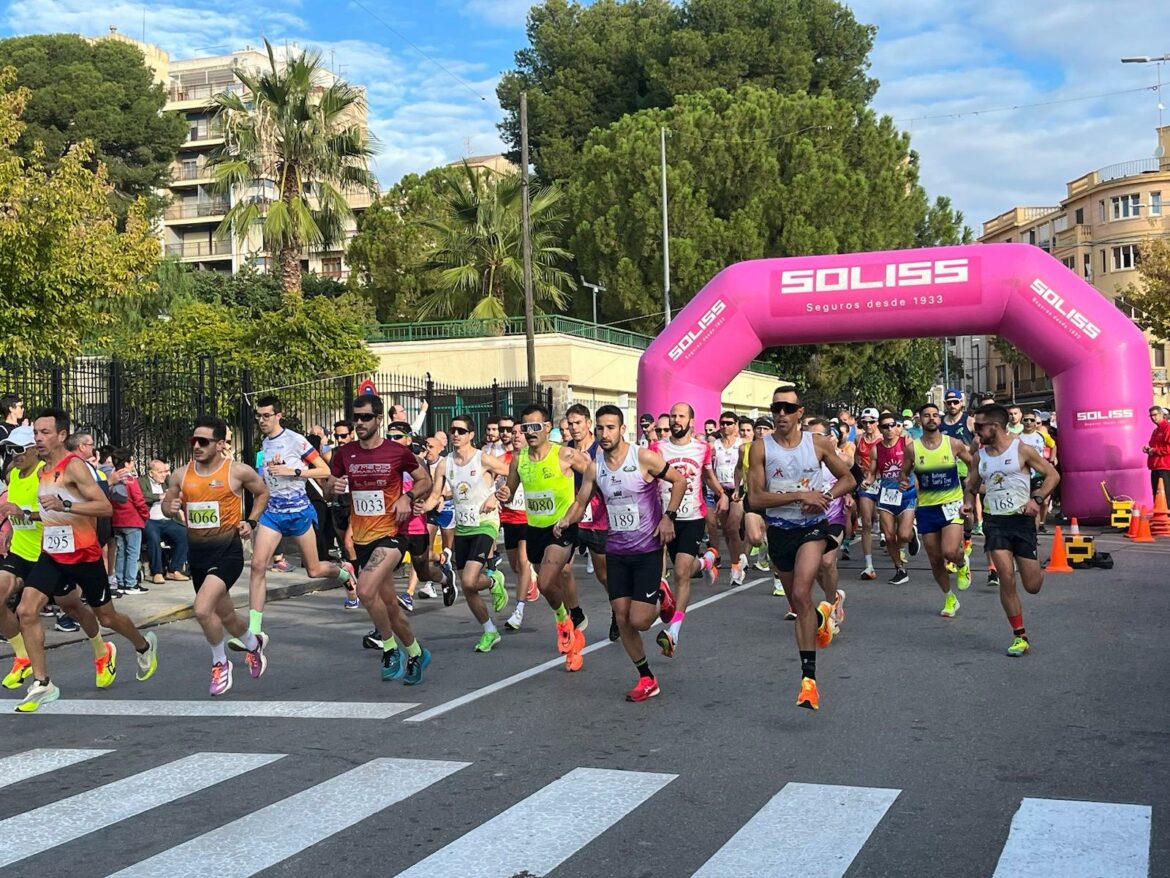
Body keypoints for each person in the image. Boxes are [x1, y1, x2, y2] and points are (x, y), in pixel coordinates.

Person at [9, 408, 159, 712]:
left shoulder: (74, 467)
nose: (39, 438)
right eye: (36, 432)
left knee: (107, 617)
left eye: (45, 432)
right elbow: (52, 512)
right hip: (52, 554)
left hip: (84, 555)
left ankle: (144, 645)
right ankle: (42, 682)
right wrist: (28, 515)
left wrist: (65, 503)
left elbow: (104, 508)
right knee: (26, 610)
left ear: (62, 435)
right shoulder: (42, 471)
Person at [748, 386, 855, 711]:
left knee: (801, 592)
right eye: (775, 407)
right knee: (798, 598)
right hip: (780, 531)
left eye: (786, 408)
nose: (780, 413)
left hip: (812, 528)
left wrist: (826, 496)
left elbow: (848, 479)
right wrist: (799, 496)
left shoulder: (818, 443)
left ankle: (809, 680)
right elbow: (755, 498)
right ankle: (823, 614)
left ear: (799, 413)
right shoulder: (759, 448)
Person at [327, 394, 435, 684]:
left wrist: (408, 496)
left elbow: (426, 480)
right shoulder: (345, 454)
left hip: (391, 535)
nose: (359, 423)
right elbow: (329, 489)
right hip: (362, 537)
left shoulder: (396, 452)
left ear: (378, 419)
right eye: (356, 418)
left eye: (365, 418)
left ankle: (389, 649)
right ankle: (415, 652)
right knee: (389, 606)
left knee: (364, 589)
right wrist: (333, 486)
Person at [161, 417, 271, 695]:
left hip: (227, 552)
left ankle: (220, 663)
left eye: (204, 441)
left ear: (221, 444)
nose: (196, 446)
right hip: (197, 554)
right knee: (227, 616)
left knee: (202, 609)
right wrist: (169, 505)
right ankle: (253, 644)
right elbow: (166, 504)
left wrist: (252, 521)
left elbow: (262, 493)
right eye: (193, 441)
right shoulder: (180, 474)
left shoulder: (236, 471)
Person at [591, 405, 685, 701]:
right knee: (622, 618)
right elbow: (586, 497)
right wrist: (569, 519)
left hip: (647, 548)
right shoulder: (597, 464)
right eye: (600, 428)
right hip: (617, 550)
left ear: (622, 430)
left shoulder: (642, 457)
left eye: (609, 428)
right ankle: (646, 677)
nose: (604, 434)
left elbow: (679, 481)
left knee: (640, 621)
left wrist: (668, 516)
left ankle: (661, 595)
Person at [496, 403, 595, 672]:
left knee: (548, 579)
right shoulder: (520, 458)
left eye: (535, 427)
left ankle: (564, 624)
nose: (529, 432)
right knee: (545, 584)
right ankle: (568, 621)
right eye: (525, 427)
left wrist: (580, 504)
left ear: (547, 428)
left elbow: (594, 473)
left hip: (562, 527)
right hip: (535, 529)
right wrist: (504, 494)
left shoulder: (564, 454)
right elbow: (511, 488)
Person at [247, 394, 354, 642]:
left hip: (299, 512)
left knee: (314, 571)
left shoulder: (296, 440)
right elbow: (269, 478)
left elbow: (325, 470)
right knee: (257, 565)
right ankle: (254, 630)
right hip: (273, 513)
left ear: (278, 415)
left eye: (266, 415)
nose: (261, 420)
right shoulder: (265, 443)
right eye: (258, 416)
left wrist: (293, 470)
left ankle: (345, 574)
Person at [966, 404, 1060, 656]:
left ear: (994, 427)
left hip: (1021, 522)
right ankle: (1020, 636)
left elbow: (1052, 475)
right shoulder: (980, 456)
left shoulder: (1022, 450)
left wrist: (1037, 498)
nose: (976, 432)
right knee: (1006, 577)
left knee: (1032, 585)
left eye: (979, 427)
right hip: (995, 522)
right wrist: (967, 503)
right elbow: (972, 484)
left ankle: (1034, 565)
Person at [652, 402, 722, 657]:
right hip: (664, 517)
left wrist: (722, 493)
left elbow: (707, 475)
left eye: (681, 416)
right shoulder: (657, 448)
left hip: (693, 516)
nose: (676, 420)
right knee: (686, 567)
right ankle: (706, 562)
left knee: (681, 572)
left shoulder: (703, 448)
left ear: (691, 421)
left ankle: (674, 630)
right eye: (673, 416)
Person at [433, 415, 509, 652]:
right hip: (463, 527)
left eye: (461, 431)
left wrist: (495, 495)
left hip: (485, 524)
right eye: (453, 430)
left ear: (471, 435)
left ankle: (494, 579)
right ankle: (490, 631)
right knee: (469, 587)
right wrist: (420, 506)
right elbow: (435, 494)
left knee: (467, 580)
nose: (456, 434)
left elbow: (513, 473)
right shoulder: (446, 463)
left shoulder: (483, 459)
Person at [899, 403, 976, 617]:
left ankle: (962, 563)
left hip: (951, 504)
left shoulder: (953, 444)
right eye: (926, 415)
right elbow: (903, 474)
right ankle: (949, 597)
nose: (931, 419)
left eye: (935, 415)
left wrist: (970, 485)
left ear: (939, 420)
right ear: (919, 420)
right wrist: (903, 482)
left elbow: (973, 466)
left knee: (949, 551)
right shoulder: (912, 448)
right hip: (926, 508)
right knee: (934, 559)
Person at [0, 426, 41, 690]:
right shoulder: (13, 475)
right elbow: (16, 509)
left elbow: (58, 514)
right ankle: (23, 656)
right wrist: (11, 530)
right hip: (20, 552)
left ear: (35, 449)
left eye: (18, 449)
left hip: (48, 554)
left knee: (79, 608)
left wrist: (23, 514)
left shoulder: (47, 475)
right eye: (9, 449)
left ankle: (101, 647)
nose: (13, 455)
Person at [564, 404, 609, 636]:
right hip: (572, 516)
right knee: (562, 567)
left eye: (578, 423)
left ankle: (617, 610)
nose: (574, 428)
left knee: (603, 574)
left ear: (588, 424)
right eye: (570, 424)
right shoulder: (565, 450)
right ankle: (575, 611)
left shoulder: (600, 450)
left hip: (596, 517)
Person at [863, 413, 919, 585]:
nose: (889, 429)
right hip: (887, 496)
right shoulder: (876, 449)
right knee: (888, 537)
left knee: (902, 534)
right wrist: (867, 482)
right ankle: (900, 569)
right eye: (885, 426)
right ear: (880, 429)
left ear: (897, 427)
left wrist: (911, 481)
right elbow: (872, 474)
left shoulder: (907, 443)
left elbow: (918, 465)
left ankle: (911, 535)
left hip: (907, 493)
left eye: (892, 425)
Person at [499, 418, 537, 630]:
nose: (515, 435)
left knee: (523, 562)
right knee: (515, 565)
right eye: (513, 432)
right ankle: (530, 578)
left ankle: (518, 610)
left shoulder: (533, 459)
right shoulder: (501, 459)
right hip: (509, 517)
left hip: (528, 517)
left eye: (519, 432)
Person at [141, 459, 189, 584]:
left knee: (184, 534)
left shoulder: (168, 481)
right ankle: (157, 572)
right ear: (151, 473)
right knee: (153, 537)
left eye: (165, 471)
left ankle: (174, 570)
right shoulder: (141, 481)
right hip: (151, 520)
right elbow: (142, 496)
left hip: (168, 519)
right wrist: (160, 496)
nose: (164, 474)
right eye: (160, 472)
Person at [712, 410, 747, 583]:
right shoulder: (714, 444)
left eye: (729, 423)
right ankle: (738, 556)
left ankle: (735, 565)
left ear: (736, 425)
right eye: (723, 423)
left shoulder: (742, 444)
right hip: (720, 490)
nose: (725, 426)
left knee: (733, 526)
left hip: (737, 489)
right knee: (726, 530)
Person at [109, 448, 149, 597]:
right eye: (131, 461)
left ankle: (120, 582)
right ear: (126, 462)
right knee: (133, 553)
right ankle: (131, 583)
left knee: (120, 553)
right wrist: (145, 515)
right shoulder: (131, 480)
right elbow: (139, 500)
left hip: (117, 520)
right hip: (132, 520)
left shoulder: (112, 478)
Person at [854, 407, 882, 579]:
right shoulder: (858, 438)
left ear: (877, 422)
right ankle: (869, 565)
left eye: (871, 421)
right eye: (864, 422)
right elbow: (856, 458)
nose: (868, 425)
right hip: (866, 483)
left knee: (890, 525)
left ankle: (899, 550)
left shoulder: (883, 438)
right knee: (866, 522)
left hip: (884, 482)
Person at [1017, 412, 1058, 531]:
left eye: (1031, 420)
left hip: (1038, 473)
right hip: (1023, 474)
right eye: (1026, 420)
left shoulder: (1042, 435)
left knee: (1037, 502)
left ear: (1035, 422)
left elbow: (1053, 445)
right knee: (1024, 505)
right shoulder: (1017, 437)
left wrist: (1051, 460)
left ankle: (1035, 532)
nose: (1029, 423)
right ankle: (1025, 530)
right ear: (1022, 422)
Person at [1144, 406, 1170, 503]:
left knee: (1166, 495)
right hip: (1155, 467)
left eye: (1155, 415)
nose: (1153, 418)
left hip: (1165, 468)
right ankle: (1160, 515)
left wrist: (1153, 450)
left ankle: (1167, 516)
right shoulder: (1156, 430)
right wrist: (1147, 449)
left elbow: (1168, 448)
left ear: (1162, 415)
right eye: (1151, 415)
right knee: (1157, 494)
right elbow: (1152, 446)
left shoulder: (1168, 428)